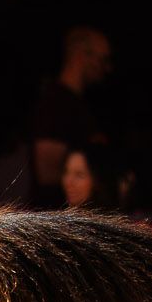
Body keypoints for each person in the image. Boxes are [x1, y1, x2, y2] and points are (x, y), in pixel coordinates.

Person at [27, 25, 112, 209]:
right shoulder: (56, 103)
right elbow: (46, 171)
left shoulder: (76, 104)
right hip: (57, 221)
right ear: (82, 55)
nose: (106, 68)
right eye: (103, 59)